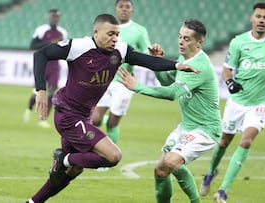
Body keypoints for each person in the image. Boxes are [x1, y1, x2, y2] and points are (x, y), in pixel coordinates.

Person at [25, 14, 199, 203]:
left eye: (117, 34)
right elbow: (41, 54)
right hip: (68, 115)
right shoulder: (79, 46)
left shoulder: (120, 50)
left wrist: (177, 65)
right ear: (96, 32)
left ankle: (34, 200)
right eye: (110, 34)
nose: (115, 38)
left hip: (84, 117)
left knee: (71, 171)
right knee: (113, 156)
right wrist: (40, 90)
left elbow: (147, 61)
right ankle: (64, 159)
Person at [199, 2, 265, 203]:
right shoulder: (238, 42)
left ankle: (223, 191)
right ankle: (210, 173)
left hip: (260, 104)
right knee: (224, 141)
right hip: (237, 102)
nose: (261, 20)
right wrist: (229, 82)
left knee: (246, 141)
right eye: (258, 16)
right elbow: (227, 69)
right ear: (252, 19)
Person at [119, 19, 221, 203]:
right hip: (187, 126)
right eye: (180, 37)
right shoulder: (184, 59)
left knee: (172, 161)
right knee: (160, 170)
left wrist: (137, 87)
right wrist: (158, 62)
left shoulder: (200, 66)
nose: (181, 42)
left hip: (205, 130)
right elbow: (168, 83)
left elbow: (172, 93)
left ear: (199, 42)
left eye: (187, 39)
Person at [92, 0, 151, 147]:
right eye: (121, 6)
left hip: (124, 82)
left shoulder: (139, 30)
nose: (124, 9)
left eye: (127, 7)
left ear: (132, 10)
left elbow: (146, 51)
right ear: (115, 9)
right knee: (95, 120)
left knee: (112, 123)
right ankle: (95, 150)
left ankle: (107, 161)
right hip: (104, 79)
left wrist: (152, 52)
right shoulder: (105, 27)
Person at [23, 8, 68, 128]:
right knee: (37, 92)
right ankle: (29, 108)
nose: (55, 18)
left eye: (57, 16)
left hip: (55, 66)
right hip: (43, 65)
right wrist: (48, 44)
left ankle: (43, 119)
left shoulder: (63, 33)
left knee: (52, 93)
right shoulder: (41, 30)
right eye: (53, 16)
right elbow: (32, 45)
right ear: (49, 17)